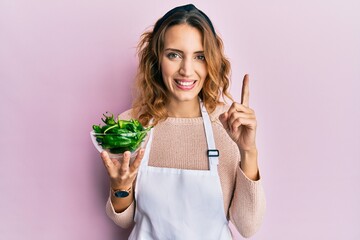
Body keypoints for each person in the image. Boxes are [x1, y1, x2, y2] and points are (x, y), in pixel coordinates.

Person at [100, 4, 266, 239]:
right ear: (157, 58)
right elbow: (123, 219)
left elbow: (248, 227)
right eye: (174, 55)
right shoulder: (130, 125)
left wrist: (248, 151)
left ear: (211, 62)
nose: (187, 70)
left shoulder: (228, 125)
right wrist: (120, 188)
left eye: (199, 56)